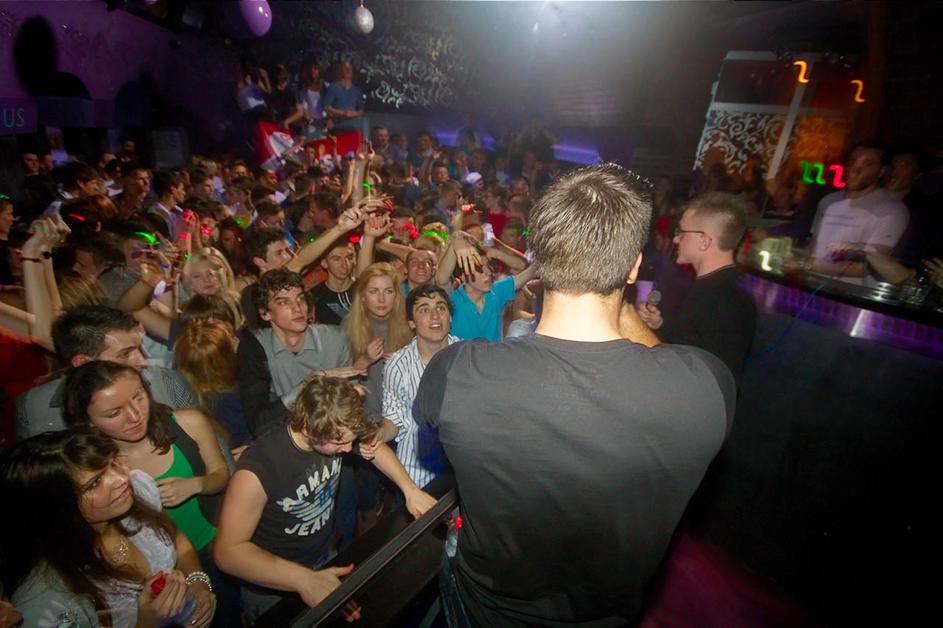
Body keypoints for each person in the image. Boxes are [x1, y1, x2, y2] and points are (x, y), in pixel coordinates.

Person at [414, 163, 735, 627]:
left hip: (485, 611)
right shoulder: (705, 388)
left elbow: (428, 416)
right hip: (607, 614)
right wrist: (625, 312)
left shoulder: (456, 371)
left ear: (540, 263)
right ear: (634, 267)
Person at [213, 376, 437, 623]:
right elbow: (227, 552)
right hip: (273, 586)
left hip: (323, 559)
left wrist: (410, 490)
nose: (348, 449)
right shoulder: (257, 469)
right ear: (307, 429)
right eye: (340, 442)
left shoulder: (335, 428)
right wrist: (302, 579)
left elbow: (373, 448)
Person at [61, 361, 239, 625]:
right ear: (88, 423)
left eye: (138, 397)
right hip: (159, 573)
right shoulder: (93, 473)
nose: (135, 415)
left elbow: (222, 474)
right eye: (115, 413)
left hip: (216, 545)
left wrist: (195, 484)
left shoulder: (187, 423)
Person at [1, 429, 216, 627]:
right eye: (95, 483)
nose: (121, 478)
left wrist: (198, 582)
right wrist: (146, 624)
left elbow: (177, 539)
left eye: (113, 463)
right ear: (58, 507)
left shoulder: (136, 493)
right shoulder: (46, 599)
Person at [15, 305, 198, 440]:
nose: (142, 361)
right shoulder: (34, 407)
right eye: (125, 354)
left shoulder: (168, 384)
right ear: (83, 362)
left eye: (138, 348)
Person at [637, 192, 757, 384]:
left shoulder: (718, 300)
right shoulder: (722, 288)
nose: (676, 239)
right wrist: (660, 324)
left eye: (682, 232)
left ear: (705, 241)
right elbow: (692, 342)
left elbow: (700, 373)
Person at [237, 269, 369, 437]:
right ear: (265, 313)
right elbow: (259, 423)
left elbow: (352, 405)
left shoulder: (336, 339)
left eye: (300, 298)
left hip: (333, 435)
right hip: (283, 439)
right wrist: (306, 385)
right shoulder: (255, 347)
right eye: (284, 302)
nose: (297, 308)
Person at [378, 284, 458, 488]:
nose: (435, 315)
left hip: (462, 469)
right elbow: (393, 419)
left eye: (441, 307)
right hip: (417, 476)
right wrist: (378, 435)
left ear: (450, 317)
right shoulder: (398, 365)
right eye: (424, 310)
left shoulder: (467, 356)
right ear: (411, 322)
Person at [805, 141, 909, 285]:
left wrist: (807, 265)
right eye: (852, 161)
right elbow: (814, 245)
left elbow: (868, 267)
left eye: (868, 164)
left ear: (882, 171)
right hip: (810, 284)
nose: (855, 169)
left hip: (850, 293)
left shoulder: (891, 209)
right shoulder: (829, 200)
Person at [174, 318, 251, 448]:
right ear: (225, 359)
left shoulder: (182, 400)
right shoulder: (237, 399)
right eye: (232, 341)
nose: (236, 340)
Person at [322, 61, 364, 134]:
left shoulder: (357, 91)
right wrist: (342, 113)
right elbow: (326, 107)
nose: (348, 70)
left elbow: (361, 111)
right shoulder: (333, 87)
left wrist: (353, 113)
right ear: (340, 71)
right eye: (345, 68)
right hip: (337, 127)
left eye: (350, 69)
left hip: (354, 128)